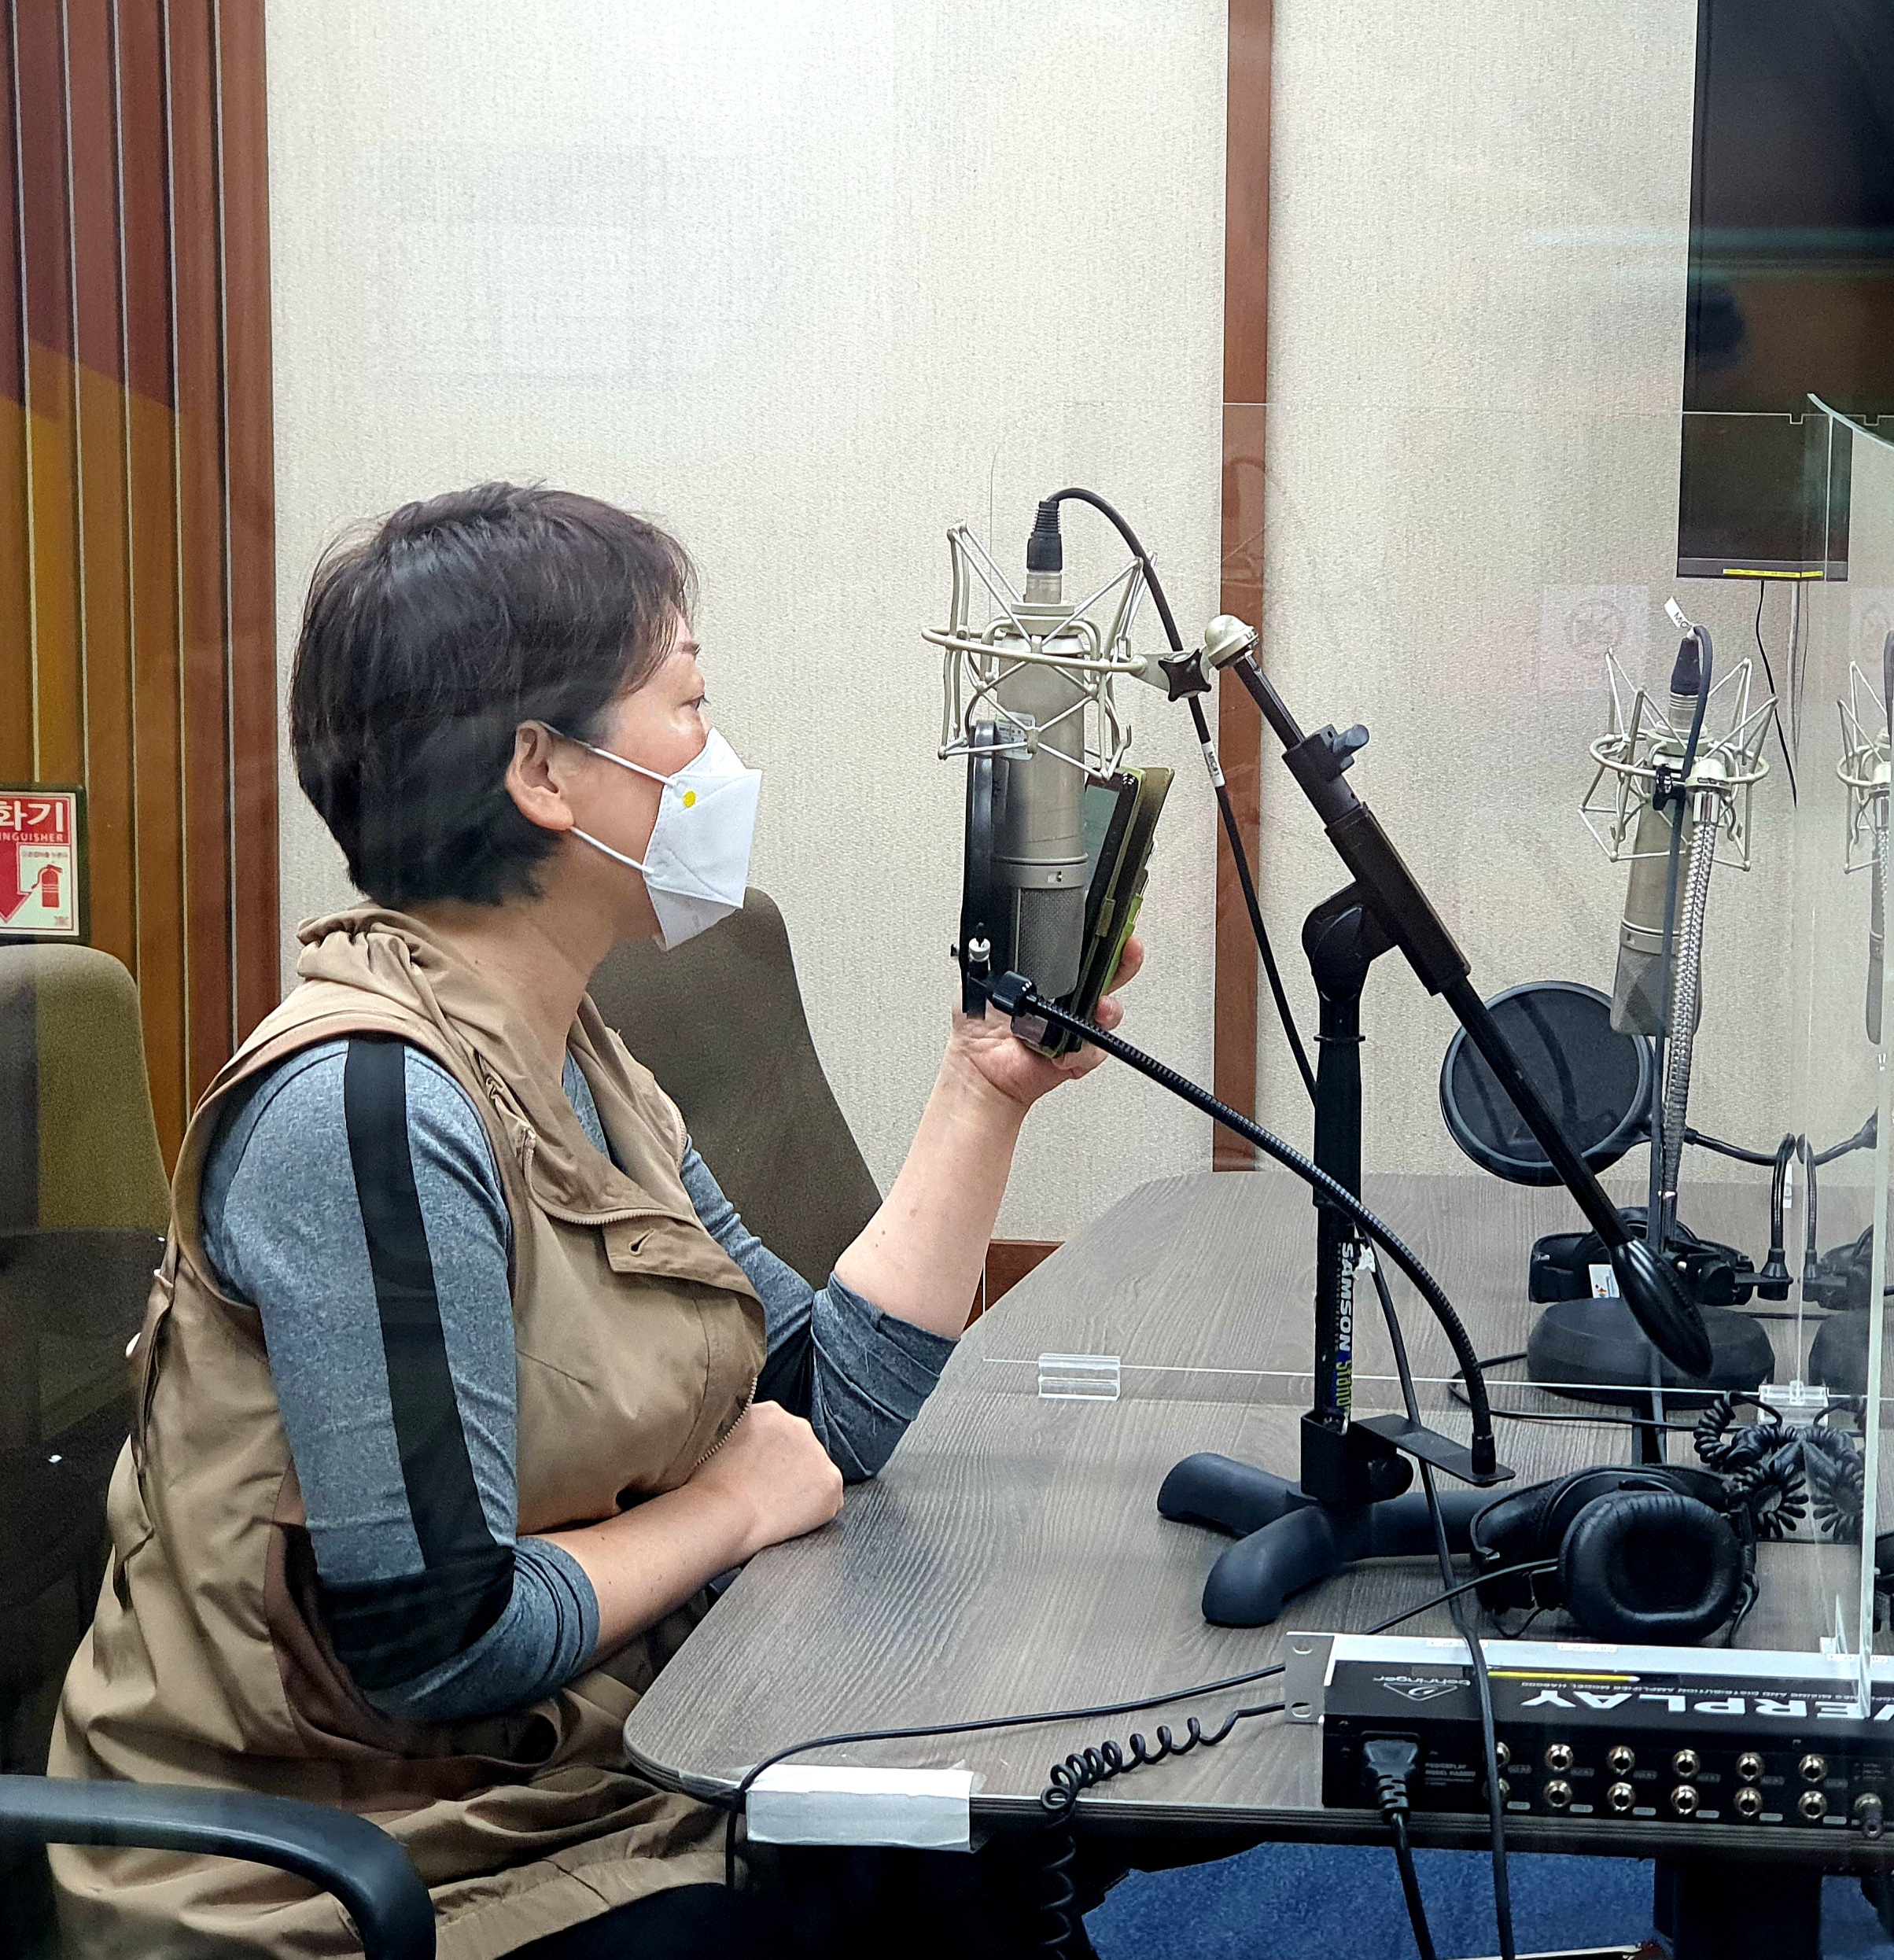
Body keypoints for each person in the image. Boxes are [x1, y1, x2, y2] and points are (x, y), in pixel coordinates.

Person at [47, 483, 1140, 1960]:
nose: (718, 756)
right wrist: (729, 1508)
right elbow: (440, 1640)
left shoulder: (575, 1058)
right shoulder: (371, 1112)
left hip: (559, 1780)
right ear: (545, 772)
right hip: (326, 1874)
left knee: (987, 1850)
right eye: (688, 703)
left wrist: (983, 1090)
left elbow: (820, 1412)